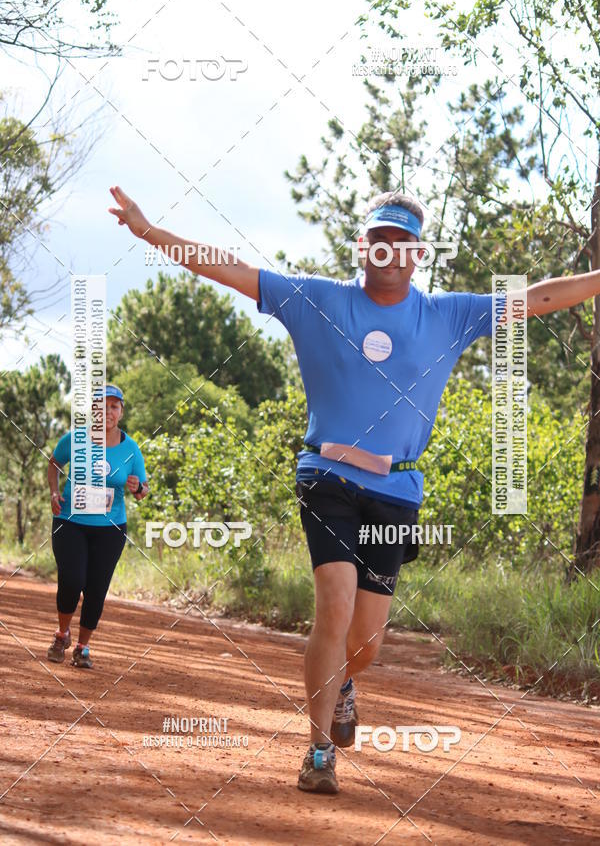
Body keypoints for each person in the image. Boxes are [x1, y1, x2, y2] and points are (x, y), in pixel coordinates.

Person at [108, 184, 599, 792]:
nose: (389, 251)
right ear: (360, 246)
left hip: (396, 490)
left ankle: (343, 683)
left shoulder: (449, 314)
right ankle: (317, 755)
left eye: (403, 242)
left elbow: (540, 296)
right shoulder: (316, 300)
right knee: (333, 606)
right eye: (379, 240)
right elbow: (228, 268)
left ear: (420, 253)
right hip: (327, 476)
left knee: (364, 640)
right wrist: (149, 232)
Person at [47, 384, 148, 668]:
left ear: (121, 411)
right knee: (72, 579)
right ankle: (61, 633)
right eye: (102, 406)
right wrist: (54, 493)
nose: (108, 412)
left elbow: (142, 491)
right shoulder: (75, 439)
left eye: (114, 406)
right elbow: (54, 464)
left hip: (111, 528)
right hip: (70, 521)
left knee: (96, 588)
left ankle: (82, 647)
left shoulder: (130, 449)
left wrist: (138, 486)